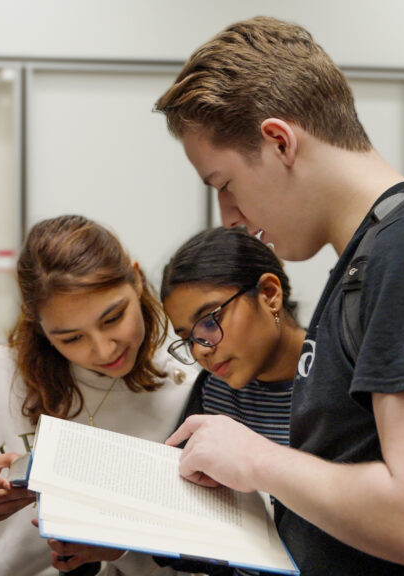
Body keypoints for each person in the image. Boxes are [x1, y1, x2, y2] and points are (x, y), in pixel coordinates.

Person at [154, 16, 404, 576]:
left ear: (279, 142)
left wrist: (256, 459)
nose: (230, 219)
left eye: (225, 185)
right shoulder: (371, 262)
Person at [0, 214, 199, 576]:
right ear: (39, 325)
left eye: (113, 318)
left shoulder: (186, 389)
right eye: (71, 338)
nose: (102, 350)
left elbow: (200, 558)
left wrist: (126, 546)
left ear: (135, 278)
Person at [156, 226, 305, 576]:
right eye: (187, 339)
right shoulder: (214, 391)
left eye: (209, 322)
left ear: (270, 294)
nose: (201, 350)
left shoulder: (342, 381)